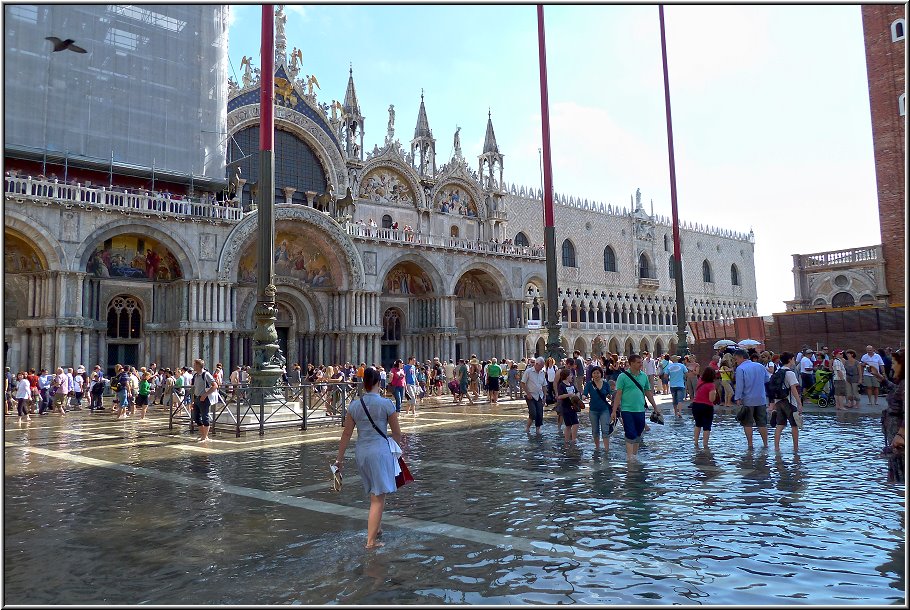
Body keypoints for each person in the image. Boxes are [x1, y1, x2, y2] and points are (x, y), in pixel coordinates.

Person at [335, 367, 403, 549]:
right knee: (378, 497)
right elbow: (397, 433)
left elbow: (346, 434)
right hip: (379, 452)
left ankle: (377, 527)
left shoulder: (355, 405)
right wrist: (392, 450)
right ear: (379, 383)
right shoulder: (386, 404)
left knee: (376, 490)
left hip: (361, 452)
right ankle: (371, 541)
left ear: (363, 384)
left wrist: (339, 460)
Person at [611, 354, 660, 460]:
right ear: (631, 363)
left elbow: (647, 392)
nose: (641, 364)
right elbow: (618, 394)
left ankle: (634, 454)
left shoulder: (644, 376)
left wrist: (655, 407)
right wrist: (614, 411)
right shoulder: (622, 376)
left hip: (640, 409)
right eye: (638, 362)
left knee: (638, 432)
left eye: (641, 362)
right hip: (627, 409)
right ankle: (630, 457)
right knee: (630, 432)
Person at [868, 350, 904, 483]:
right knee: (896, 477)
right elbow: (896, 390)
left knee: (900, 477)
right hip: (895, 437)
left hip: (899, 439)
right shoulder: (902, 384)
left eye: (895, 363)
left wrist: (900, 435)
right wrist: (881, 379)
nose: (892, 366)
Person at [733, 349, 769, 450]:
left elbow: (740, 385)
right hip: (761, 398)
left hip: (748, 399)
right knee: (762, 422)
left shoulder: (740, 369)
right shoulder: (760, 366)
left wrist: (738, 398)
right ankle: (765, 444)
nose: (736, 361)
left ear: (741, 357)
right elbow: (767, 379)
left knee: (747, 423)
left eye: (736, 359)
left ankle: (750, 445)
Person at [771, 352, 802, 453]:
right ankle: (796, 448)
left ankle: (776, 448)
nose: (794, 361)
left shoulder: (778, 372)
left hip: (779, 401)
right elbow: (793, 388)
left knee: (780, 425)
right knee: (794, 425)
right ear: (790, 360)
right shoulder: (790, 373)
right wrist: (799, 403)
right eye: (793, 359)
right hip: (789, 401)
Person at [582, 366, 612, 452]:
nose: (596, 375)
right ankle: (597, 448)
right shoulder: (589, 384)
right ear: (592, 374)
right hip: (593, 410)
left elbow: (609, 395)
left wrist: (610, 396)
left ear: (601, 374)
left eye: (598, 373)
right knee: (595, 430)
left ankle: (607, 449)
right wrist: (584, 397)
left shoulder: (606, 384)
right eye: (594, 373)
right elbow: (584, 393)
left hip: (604, 409)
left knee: (605, 430)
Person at [690, 367, 718, 450]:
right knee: (707, 426)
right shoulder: (711, 385)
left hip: (696, 405)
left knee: (698, 424)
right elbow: (711, 399)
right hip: (707, 406)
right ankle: (705, 445)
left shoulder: (700, 380)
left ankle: (695, 442)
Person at [191, 358, 218, 442]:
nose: (193, 366)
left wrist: (205, 394)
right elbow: (193, 388)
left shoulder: (206, 374)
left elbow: (215, 385)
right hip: (196, 398)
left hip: (204, 399)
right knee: (196, 417)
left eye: (195, 365)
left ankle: (205, 436)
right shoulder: (195, 375)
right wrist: (193, 400)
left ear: (199, 366)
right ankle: (203, 435)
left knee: (205, 417)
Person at [521, 357, 547, 434]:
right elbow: (522, 383)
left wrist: (545, 396)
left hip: (539, 395)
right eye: (541, 366)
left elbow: (544, 385)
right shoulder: (528, 372)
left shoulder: (542, 372)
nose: (541, 368)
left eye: (542, 367)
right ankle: (527, 427)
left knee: (540, 413)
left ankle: (538, 429)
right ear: (536, 364)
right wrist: (528, 393)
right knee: (533, 412)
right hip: (530, 395)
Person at [555, 369, 580, 443]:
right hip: (566, 407)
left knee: (572, 424)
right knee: (573, 424)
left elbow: (577, 392)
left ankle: (569, 440)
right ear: (566, 376)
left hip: (573, 406)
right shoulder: (561, 385)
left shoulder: (571, 384)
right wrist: (569, 395)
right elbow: (559, 396)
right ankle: (572, 439)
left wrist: (577, 396)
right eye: (570, 375)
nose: (572, 376)